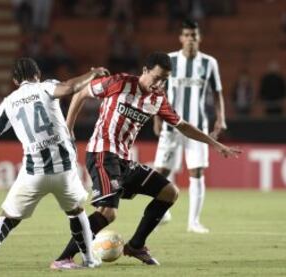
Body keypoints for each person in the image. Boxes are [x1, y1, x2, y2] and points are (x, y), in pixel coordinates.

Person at [51, 51, 241, 269]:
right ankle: (63, 258)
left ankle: (135, 245)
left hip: (124, 160)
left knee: (169, 192)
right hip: (102, 153)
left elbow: (183, 126)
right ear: (145, 71)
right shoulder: (119, 82)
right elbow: (81, 93)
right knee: (108, 213)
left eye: (164, 80)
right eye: (157, 77)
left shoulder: (158, 99)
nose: (159, 83)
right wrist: (68, 128)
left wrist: (216, 144)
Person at [0, 58, 109, 271]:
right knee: (76, 211)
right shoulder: (46, 87)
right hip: (63, 170)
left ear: (16, 80)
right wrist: (94, 72)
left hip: (33, 172)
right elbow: (71, 87)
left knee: (8, 216)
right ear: (37, 74)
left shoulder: (8, 102)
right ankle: (89, 258)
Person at [153, 20, 227, 234]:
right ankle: (161, 213)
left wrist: (220, 118)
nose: (191, 39)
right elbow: (159, 89)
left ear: (199, 38)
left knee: (197, 171)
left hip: (198, 127)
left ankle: (193, 222)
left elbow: (217, 92)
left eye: (194, 35)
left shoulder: (209, 63)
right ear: (181, 38)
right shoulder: (171, 60)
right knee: (161, 172)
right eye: (187, 35)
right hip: (171, 125)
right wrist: (157, 118)